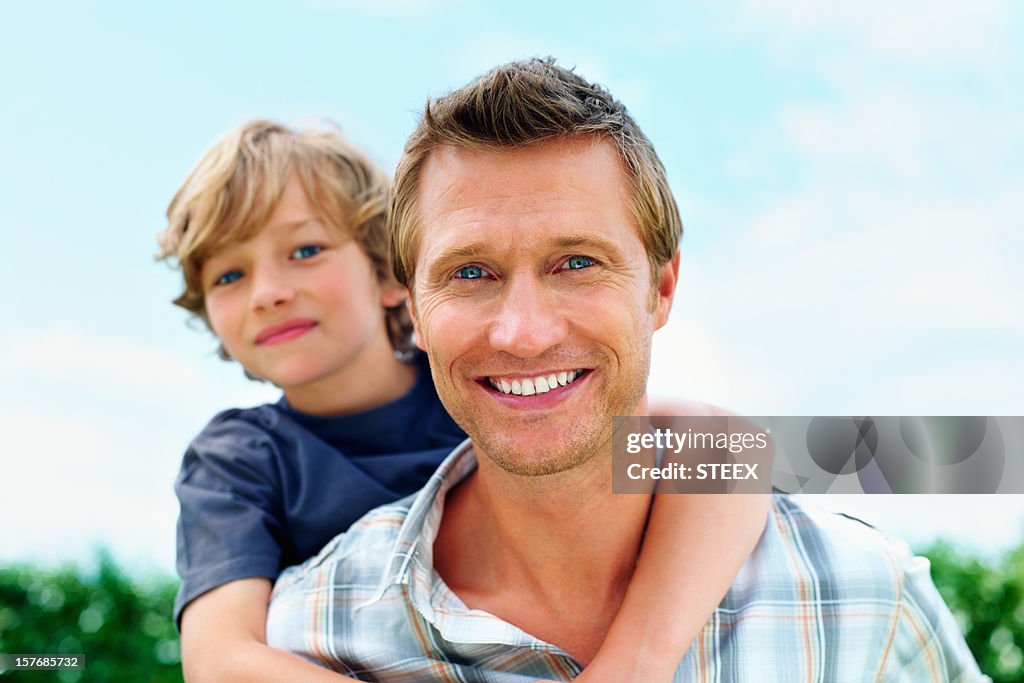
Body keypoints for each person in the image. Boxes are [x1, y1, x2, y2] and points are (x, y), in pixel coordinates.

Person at [265, 58, 989, 681]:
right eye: (471, 271)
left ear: (661, 289)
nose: (523, 333)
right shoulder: (311, 634)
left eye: (577, 263)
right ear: (415, 312)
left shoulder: (864, 599)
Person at [158, 119, 769, 682]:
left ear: (394, 277)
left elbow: (737, 447)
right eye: (228, 275)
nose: (267, 292)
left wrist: (635, 660)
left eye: (305, 251)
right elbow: (218, 661)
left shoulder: (481, 376)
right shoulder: (234, 458)